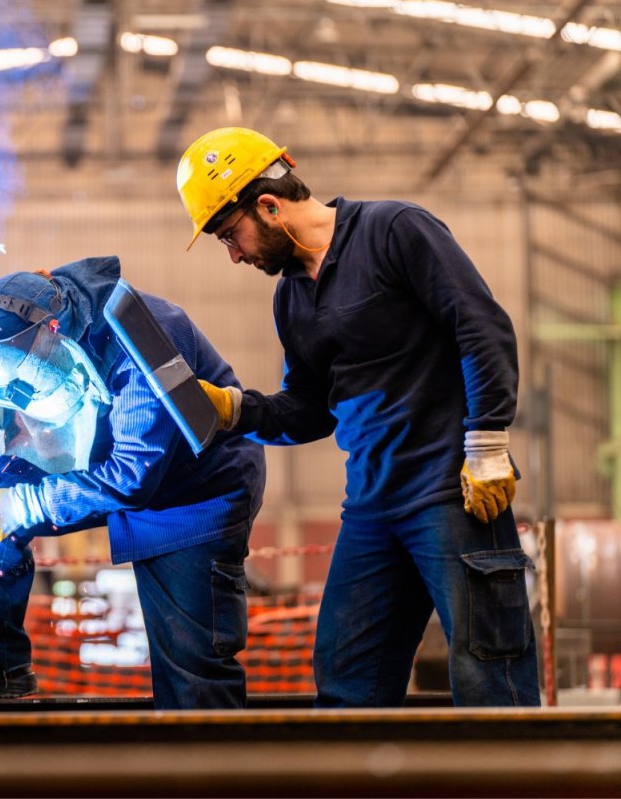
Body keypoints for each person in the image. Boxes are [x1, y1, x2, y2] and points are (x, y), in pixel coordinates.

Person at [176, 127, 540, 707]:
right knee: (347, 677)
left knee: (489, 671)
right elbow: (311, 409)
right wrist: (235, 409)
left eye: (230, 235)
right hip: (372, 508)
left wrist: (487, 442)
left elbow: (480, 325)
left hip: (453, 492)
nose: (236, 253)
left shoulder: (394, 231)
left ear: (268, 206)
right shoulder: (292, 298)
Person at [0, 255, 266, 709]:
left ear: (54, 332)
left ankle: (208, 768)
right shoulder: (18, 339)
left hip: (192, 496)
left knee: (190, 670)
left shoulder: (143, 338)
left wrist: (20, 506)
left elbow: (133, 476)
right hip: (93, 453)